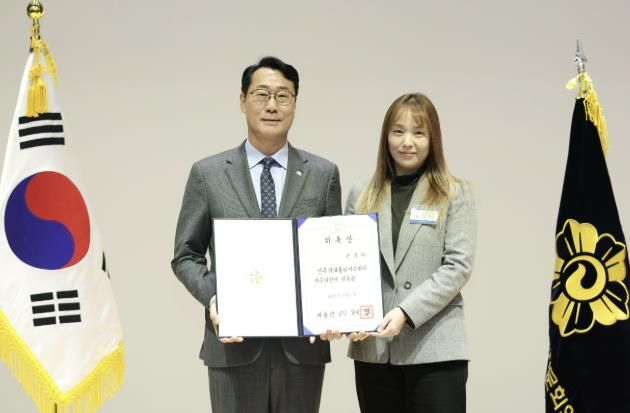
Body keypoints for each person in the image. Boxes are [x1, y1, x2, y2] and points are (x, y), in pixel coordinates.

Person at [171, 56, 341, 413]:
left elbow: (331, 256)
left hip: (301, 349)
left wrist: (333, 309)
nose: (272, 106)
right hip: (233, 346)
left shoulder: (323, 174)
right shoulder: (208, 174)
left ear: (295, 103)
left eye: (283, 96)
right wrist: (215, 298)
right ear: (242, 100)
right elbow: (186, 254)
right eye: (261, 95)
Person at [345, 93, 476, 413]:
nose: (407, 142)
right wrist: (347, 315)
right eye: (398, 131)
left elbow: (457, 267)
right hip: (374, 350)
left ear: (433, 139)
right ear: (386, 137)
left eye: (418, 133)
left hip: (435, 349)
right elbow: (348, 266)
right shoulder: (361, 194)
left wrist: (405, 312)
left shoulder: (453, 193)